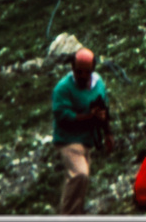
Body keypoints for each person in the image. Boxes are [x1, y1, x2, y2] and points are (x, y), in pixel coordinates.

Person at [53, 47, 113, 216]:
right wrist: (88, 117)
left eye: (86, 72)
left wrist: (108, 132)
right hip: (68, 140)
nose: (82, 76)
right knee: (80, 175)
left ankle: (74, 214)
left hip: (87, 140)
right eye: (78, 72)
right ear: (72, 68)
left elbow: (103, 107)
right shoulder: (63, 88)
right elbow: (63, 115)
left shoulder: (98, 84)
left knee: (80, 183)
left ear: (92, 70)